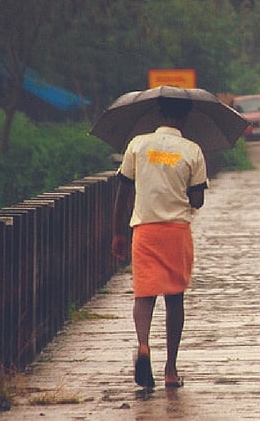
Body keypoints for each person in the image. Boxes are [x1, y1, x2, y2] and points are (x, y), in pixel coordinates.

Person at [111, 96, 208, 389]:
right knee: (174, 297)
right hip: (176, 232)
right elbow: (198, 200)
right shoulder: (192, 150)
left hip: (145, 230)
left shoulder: (138, 145)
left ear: (160, 114)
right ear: (184, 118)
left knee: (144, 294)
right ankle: (170, 369)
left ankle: (143, 345)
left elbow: (123, 191)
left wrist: (117, 232)